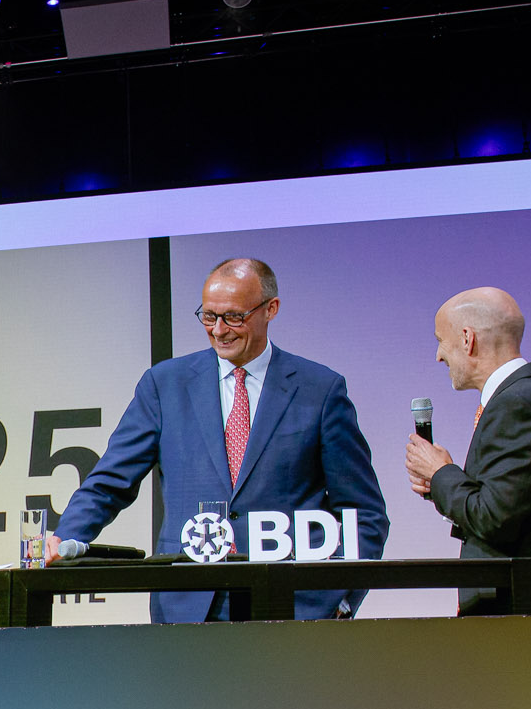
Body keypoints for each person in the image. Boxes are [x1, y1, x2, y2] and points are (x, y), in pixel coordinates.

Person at [51, 257, 388, 621]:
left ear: (271, 309)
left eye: (233, 317)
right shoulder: (165, 385)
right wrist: (64, 538)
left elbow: (363, 513)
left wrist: (341, 600)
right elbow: (109, 482)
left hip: (290, 606)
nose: (219, 330)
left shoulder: (320, 390)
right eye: (209, 316)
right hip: (186, 603)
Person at [404, 287, 531, 615]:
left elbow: (494, 519)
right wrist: (440, 484)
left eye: (440, 340)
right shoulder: (529, 398)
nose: (438, 355)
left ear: (467, 339)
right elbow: (509, 509)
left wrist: (441, 474)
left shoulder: (518, 405)